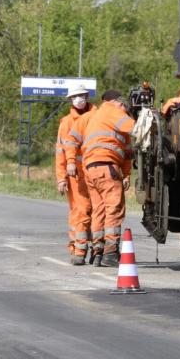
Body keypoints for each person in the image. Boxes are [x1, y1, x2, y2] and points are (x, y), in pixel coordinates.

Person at [65, 89, 135, 267]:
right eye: (124, 109)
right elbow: (136, 128)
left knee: (99, 210)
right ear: (119, 103)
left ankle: (98, 252)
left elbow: (127, 154)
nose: (124, 112)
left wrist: (71, 162)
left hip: (90, 170)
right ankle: (110, 253)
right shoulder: (114, 111)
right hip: (106, 166)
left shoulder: (91, 118)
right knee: (114, 208)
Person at [55, 87, 93, 264]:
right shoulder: (67, 122)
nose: (79, 99)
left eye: (82, 96)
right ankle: (77, 247)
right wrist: (61, 178)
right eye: (75, 96)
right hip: (76, 174)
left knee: (97, 211)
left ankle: (96, 248)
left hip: (95, 172)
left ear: (87, 97)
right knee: (80, 211)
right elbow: (60, 152)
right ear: (70, 100)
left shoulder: (97, 117)